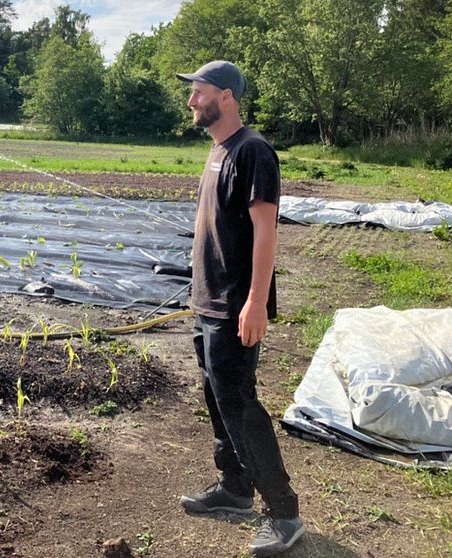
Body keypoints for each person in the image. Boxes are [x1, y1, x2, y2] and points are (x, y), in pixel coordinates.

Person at [175, 60, 304, 557]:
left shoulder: (252, 151)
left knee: (241, 405)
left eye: (200, 92)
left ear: (227, 96)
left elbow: (266, 231)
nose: (192, 101)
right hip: (208, 301)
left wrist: (255, 301)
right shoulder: (217, 151)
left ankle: (284, 513)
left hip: (234, 307)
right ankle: (233, 487)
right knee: (216, 397)